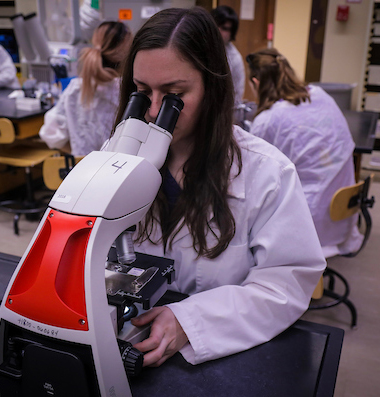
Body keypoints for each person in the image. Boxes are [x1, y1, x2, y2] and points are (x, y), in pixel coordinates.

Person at [112, 7, 326, 367]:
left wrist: (192, 322)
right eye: (142, 91)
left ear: (212, 87)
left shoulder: (266, 172)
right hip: (130, 336)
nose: (153, 111)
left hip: (219, 353)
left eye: (175, 93)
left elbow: (285, 285)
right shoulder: (117, 155)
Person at [246, 48, 363, 258]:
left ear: (256, 83)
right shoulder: (320, 95)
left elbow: (253, 175)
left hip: (311, 220)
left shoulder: (268, 120)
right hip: (344, 208)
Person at [39, 21, 132, 156]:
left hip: (81, 172)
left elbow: (50, 133)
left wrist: (79, 152)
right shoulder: (128, 90)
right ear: (126, 48)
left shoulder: (75, 88)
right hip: (118, 172)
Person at [211, 5, 246, 108]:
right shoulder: (195, 46)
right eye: (217, 25)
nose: (219, 32)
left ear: (231, 33)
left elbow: (237, 93)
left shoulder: (235, 58)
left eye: (225, 29)